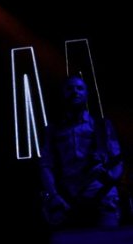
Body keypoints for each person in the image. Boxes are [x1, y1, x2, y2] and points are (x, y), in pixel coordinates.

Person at [39, 75, 124, 229]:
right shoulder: (53, 130)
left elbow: (118, 160)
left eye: (79, 88)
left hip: (102, 195)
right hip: (68, 199)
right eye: (70, 88)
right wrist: (55, 195)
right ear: (63, 94)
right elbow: (45, 165)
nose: (75, 92)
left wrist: (109, 178)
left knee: (108, 241)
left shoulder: (102, 126)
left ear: (86, 93)